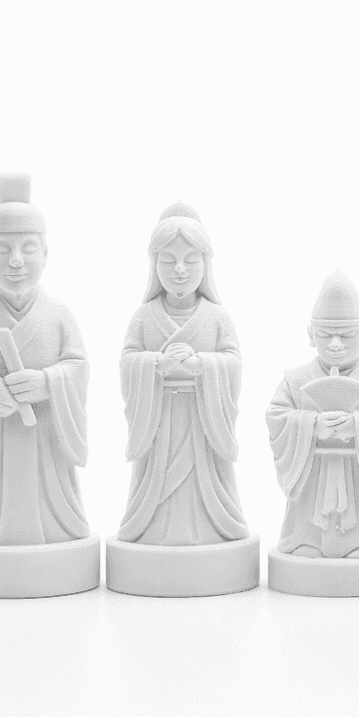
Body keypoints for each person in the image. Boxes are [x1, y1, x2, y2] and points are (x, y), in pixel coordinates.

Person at [0, 174, 91, 545]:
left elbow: (77, 366)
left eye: (28, 249)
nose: (15, 261)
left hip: (44, 435)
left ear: (45, 254)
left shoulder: (59, 315)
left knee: (51, 499)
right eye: (2, 250)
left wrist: (48, 383)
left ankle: (57, 531)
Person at [117, 203, 248, 545]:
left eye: (190, 261)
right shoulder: (144, 317)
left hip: (202, 421)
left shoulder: (216, 317)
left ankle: (211, 528)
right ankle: (151, 528)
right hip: (159, 420)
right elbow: (128, 360)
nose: (179, 270)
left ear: (205, 264)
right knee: (158, 478)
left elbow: (233, 362)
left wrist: (202, 365)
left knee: (203, 479)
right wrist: (155, 365)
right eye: (168, 260)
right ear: (154, 264)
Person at [266, 270, 359, 558]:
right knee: (306, 539)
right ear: (310, 335)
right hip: (313, 474)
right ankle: (306, 539)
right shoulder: (295, 380)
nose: (335, 344)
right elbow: (276, 415)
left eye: (346, 335)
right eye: (325, 335)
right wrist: (311, 425)